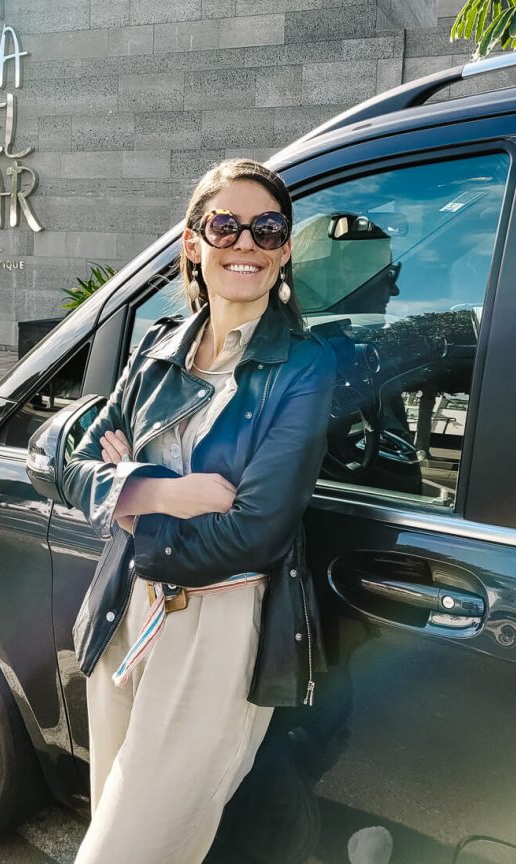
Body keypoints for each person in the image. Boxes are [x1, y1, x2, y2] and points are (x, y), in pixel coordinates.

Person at [63, 158, 337, 864]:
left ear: (283, 250)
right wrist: (161, 495)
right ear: (193, 243)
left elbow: (255, 531)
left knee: (127, 851)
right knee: (113, 818)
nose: (245, 243)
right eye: (225, 225)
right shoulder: (155, 349)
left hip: (216, 627)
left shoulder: (302, 368)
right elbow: (66, 456)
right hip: (126, 610)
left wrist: (127, 500)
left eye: (266, 228)